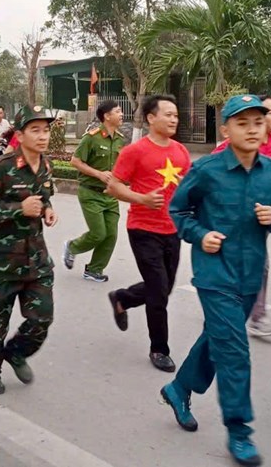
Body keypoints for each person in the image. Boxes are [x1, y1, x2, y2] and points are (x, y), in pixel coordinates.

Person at [161, 95, 271, 467]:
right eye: (242, 123)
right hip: (214, 274)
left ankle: (179, 387)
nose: (252, 129)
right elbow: (178, 210)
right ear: (225, 129)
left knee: (218, 339)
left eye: (258, 122)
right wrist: (200, 233)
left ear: (267, 127)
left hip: (250, 275)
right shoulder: (207, 170)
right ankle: (240, 432)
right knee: (235, 351)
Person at [0, 105, 58, 395]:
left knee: (42, 317)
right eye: (36, 130)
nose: (43, 136)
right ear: (19, 134)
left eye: (46, 130)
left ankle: (16, 352)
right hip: (3, 262)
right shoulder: (1, 167)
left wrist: (47, 208)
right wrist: (18, 208)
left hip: (36, 258)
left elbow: (44, 196)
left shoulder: (45, 165)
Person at [105, 95, 191, 372]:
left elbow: (189, 188)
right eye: (167, 114)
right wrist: (141, 199)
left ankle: (123, 298)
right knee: (157, 291)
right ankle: (159, 349)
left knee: (164, 287)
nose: (173, 119)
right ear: (151, 118)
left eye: (176, 114)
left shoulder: (181, 151)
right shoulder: (135, 151)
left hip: (172, 229)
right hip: (143, 229)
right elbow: (114, 186)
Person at [214, 95, 271, 339]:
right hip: (228, 220)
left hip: (259, 220)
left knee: (260, 265)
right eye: (268, 113)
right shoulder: (228, 147)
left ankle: (256, 316)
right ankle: (223, 304)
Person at [63, 100, 126, 282]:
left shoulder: (120, 138)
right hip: (90, 193)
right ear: (107, 116)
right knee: (99, 233)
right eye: (118, 111)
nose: (121, 114)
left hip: (110, 194)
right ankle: (72, 247)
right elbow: (75, 161)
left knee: (111, 235)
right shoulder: (91, 137)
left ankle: (94, 269)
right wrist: (98, 174)